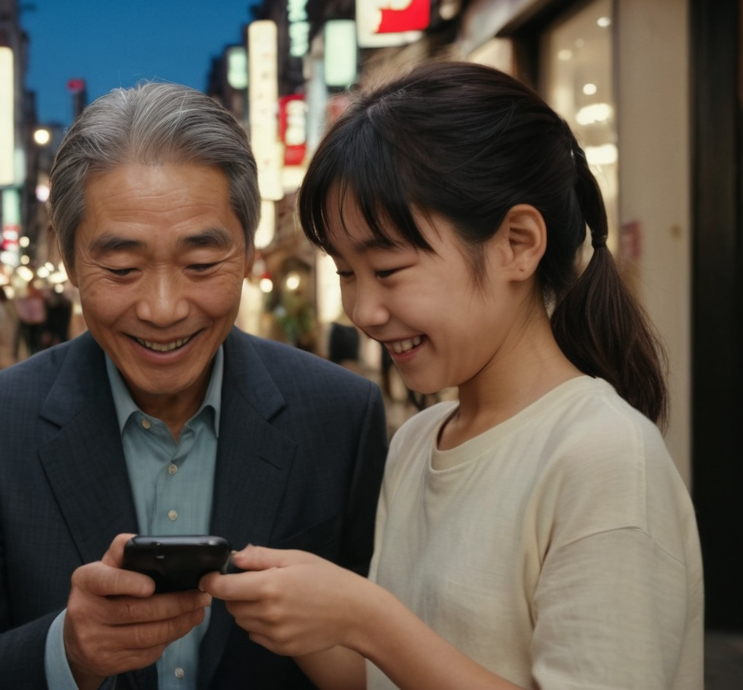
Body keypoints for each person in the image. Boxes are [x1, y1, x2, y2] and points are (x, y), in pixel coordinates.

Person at [202, 61, 702, 690]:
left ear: (518, 243)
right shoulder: (419, 439)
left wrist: (368, 618)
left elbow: (392, 643)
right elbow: (388, 677)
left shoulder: (603, 455)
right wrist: (288, 602)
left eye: (387, 269)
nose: (363, 311)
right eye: (346, 273)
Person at [0, 82, 387, 690]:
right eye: (122, 269)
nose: (163, 310)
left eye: (200, 265)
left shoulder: (340, 415)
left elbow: (377, 642)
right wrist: (68, 652)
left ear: (245, 251)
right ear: (68, 259)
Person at [16, 282, 47, 356]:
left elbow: (42, 312)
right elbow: (22, 313)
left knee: (38, 344)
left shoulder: (39, 298)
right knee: (30, 344)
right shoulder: (25, 300)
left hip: (38, 324)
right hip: (29, 325)